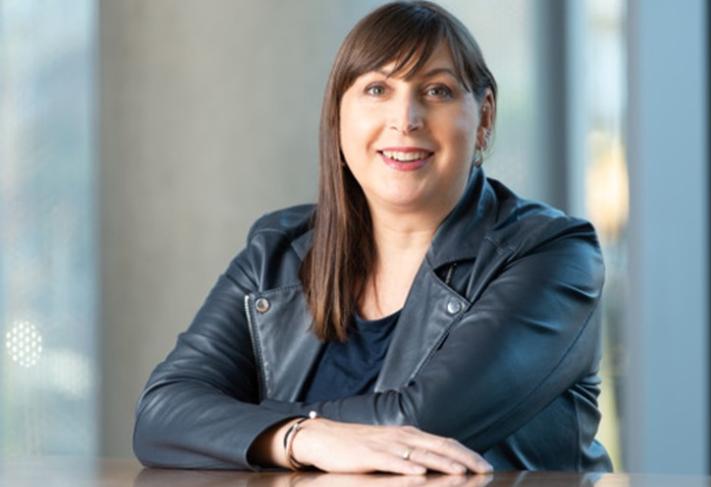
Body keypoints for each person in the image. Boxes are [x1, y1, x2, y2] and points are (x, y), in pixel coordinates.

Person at [132, 0, 613, 475]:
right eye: (378, 88)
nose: (405, 119)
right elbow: (162, 412)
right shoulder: (278, 251)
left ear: (484, 116)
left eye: (438, 91)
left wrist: (247, 426)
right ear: (339, 116)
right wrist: (302, 436)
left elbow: (421, 425)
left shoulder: (552, 255)